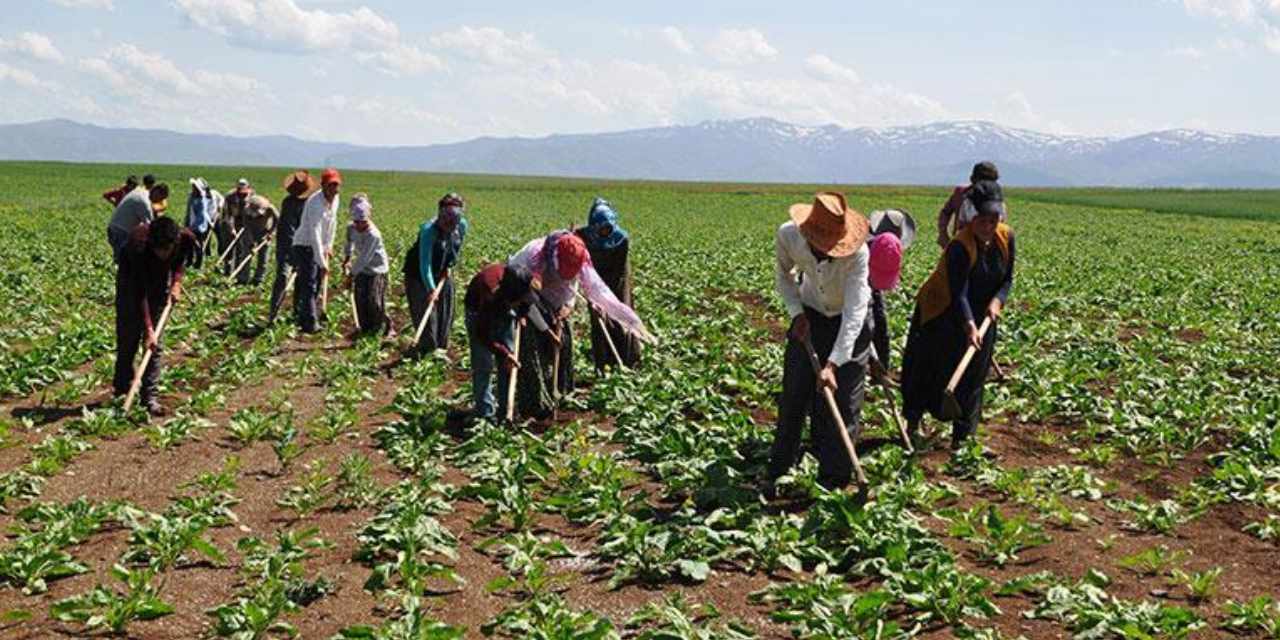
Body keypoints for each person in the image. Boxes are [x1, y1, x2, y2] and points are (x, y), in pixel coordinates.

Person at [764, 192, 872, 496]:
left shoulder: (858, 254)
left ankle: (833, 481)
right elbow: (783, 277)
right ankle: (779, 468)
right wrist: (796, 314)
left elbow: (855, 312)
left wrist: (834, 363)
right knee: (794, 394)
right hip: (810, 314)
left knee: (844, 403)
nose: (827, 253)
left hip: (848, 324)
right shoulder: (788, 236)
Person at [901, 180, 1015, 452]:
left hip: (983, 313)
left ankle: (963, 439)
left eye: (994, 220)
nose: (989, 227)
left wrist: (997, 302)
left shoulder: (1006, 238)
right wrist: (968, 325)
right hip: (942, 311)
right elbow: (959, 292)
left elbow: (1007, 279)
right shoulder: (959, 246)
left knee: (975, 374)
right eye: (983, 220)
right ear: (971, 217)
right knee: (928, 368)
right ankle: (912, 424)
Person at [508, 231, 653, 420]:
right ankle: (535, 402)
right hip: (526, 298)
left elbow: (576, 284)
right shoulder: (532, 257)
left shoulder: (580, 257)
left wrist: (567, 306)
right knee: (533, 348)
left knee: (564, 344)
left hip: (557, 298)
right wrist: (546, 330)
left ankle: (561, 392)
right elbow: (527, 301)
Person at [113, 216, 196, 416]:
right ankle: (123, 390)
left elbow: (180, 262)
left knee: (154, 346)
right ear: (151, 243)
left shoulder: (185, 239)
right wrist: (148, 328)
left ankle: (149, 396)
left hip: (159, 287)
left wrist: (176, 282)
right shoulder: (137, 246)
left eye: (166, 249)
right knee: (128, 339)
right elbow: (139, 292)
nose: (163, 254)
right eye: (159, 250)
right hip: (130, 287)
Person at [463, 263, 550, 423]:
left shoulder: (520, 284)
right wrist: (503, 353)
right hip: (477, 314)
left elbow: (527, 303)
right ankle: (485, 414)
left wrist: (521, 314)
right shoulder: (489, 295)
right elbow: (483, 335)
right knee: (484, 365)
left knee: (509, 365)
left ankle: (505, 411)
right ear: (511, 298)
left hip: (504, 309)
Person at [574, 197, 641, 372]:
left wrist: (607, 297)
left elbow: (618, 270)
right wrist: (595, 294)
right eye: (601, 228)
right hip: (593, 280)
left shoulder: (621, 239)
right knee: (598, 319)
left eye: (607, 228)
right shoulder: (583, 235)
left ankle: (628, 360)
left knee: (621, 314)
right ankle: (603, 362)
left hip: (617, 279)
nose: (605, 232)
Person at [403, 192, 468, 354]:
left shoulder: (461, 226)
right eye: (445, 223)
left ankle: (441, 347)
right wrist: (431, 289)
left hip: (442, 270)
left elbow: (456, 247)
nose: (448, 226)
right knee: (426, 311)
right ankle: (425, 349)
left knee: (446, 309)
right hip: (418, 274)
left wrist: (450, 264)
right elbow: (424, 264)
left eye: (452, 223)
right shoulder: (428, 230)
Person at [291, 168, 342, 334]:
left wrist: (329, 246)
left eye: (336, 185)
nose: (334, 189)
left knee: (310, 282)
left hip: (319, 244)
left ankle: (299, 313)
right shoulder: (315, 203)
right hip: (305, 245)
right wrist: (321, 261)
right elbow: (315, 233)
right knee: (310, 283)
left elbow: (333, 224)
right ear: (323, 186)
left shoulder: (335, 199)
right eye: (330, 185)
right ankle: (310, 322)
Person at [342, 194, 391, 336]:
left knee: (375, 300)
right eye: (356, 221)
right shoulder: (351, 228)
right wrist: (347, 258)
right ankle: (365, 329)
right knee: (360, 299)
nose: (359, 225)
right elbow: (348, 243)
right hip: (361, 270)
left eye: (362, 222)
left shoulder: (373, 235)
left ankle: (385, 328)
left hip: (377, 269)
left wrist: (350, 275)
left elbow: (364, 258)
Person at [269, 170, 316, 323]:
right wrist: (294, 254)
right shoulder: (288, 203)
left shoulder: (310, 203)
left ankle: (298, 313)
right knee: (283, 277)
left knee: (302, 281)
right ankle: (273, 313)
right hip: (286, 247)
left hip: (304, 246)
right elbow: (288, 231)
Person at [936, 161, 1002, 249]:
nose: (986, 186)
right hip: (961, 244)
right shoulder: (960, 194)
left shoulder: (996, 200)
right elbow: (945, 213)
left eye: (990, 181)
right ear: (973, 179)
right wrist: (943, 234)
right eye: (983, 181)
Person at [107, 183, 169, 262]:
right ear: (157, 193)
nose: (158, 202)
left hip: (115, 228)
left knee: (123, 259)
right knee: (123, 260)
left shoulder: (140, 191)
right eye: (160, 199)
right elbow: (150, 227)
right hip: (120, 232)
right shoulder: (144, 203)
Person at [237, 194, 278, 285]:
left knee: (263, 257)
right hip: (250, 233)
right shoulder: (245, 211)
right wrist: (251, 242)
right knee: (246, 255)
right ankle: (243, 278)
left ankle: (258, 279)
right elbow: (246, 227)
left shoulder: (270, 209)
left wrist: (271, 233)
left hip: (264, 233)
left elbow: (278, 221)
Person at [219, 178, 253, 276]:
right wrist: (232, 229)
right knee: (229, 248)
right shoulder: (230, 197)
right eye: (240, 191)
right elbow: (227, 215)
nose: (242, 194)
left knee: (241, 249)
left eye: (244, 192)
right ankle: (227, 271)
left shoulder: (252, 197)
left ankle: (238, 272)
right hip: (231, 223)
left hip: (245, 225)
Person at [184, 178, 215, 268]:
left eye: (194, 187)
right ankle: (189, 262)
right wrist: (187, 223)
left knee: (198, 246)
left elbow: (201, 216)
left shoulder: (201, 200)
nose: (193, 188)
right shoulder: (192, 197)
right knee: (189, 245)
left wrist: (193, 227)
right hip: (191, 225)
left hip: (199, 228)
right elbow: (189, 212)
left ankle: (198, 264)